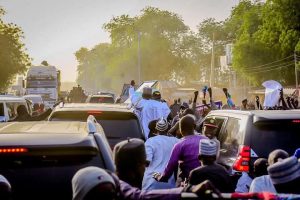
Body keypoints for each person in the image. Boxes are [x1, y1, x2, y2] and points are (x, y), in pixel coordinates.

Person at [153, 115, 207, 185]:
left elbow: (169, 170)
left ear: (180, 129)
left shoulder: (179, 145)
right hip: (208, 182)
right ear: (194, 126)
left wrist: (158, 176)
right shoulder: (205, 140)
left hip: (190, 185)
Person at [142, 118, 179, 191]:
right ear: (168, 129)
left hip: (151, 183)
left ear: (156, 130)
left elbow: (146, 162)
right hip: (169, 184)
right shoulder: (175, 141)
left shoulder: (150, 141)